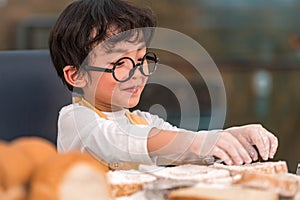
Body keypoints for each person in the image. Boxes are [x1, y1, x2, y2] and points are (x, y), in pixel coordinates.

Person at [49, 0, 278, 170]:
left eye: (141, 60)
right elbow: (120, 140)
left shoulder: (145, 121)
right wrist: (195, 143)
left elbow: (184, 147)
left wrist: (232, 137)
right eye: (120, 62)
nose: (137, 73)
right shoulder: (75, 119)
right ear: (76, 76)